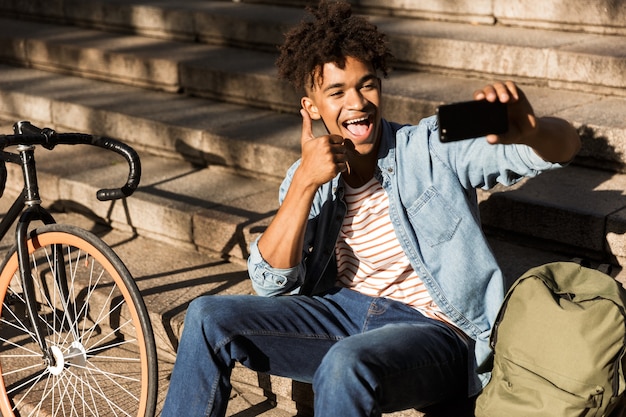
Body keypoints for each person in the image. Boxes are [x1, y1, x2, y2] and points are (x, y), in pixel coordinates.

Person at [161, 1, 581, 416]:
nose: (358, 102)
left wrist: (533, 130)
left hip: (434, 330)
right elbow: (270, 283)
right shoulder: (304, 176)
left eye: (367, 84)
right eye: (336, 92)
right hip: (342, 313)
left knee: (347, 364)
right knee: (206, 314)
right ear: (312, 108)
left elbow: (562, 148)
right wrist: (306, 183)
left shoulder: (431, 145)